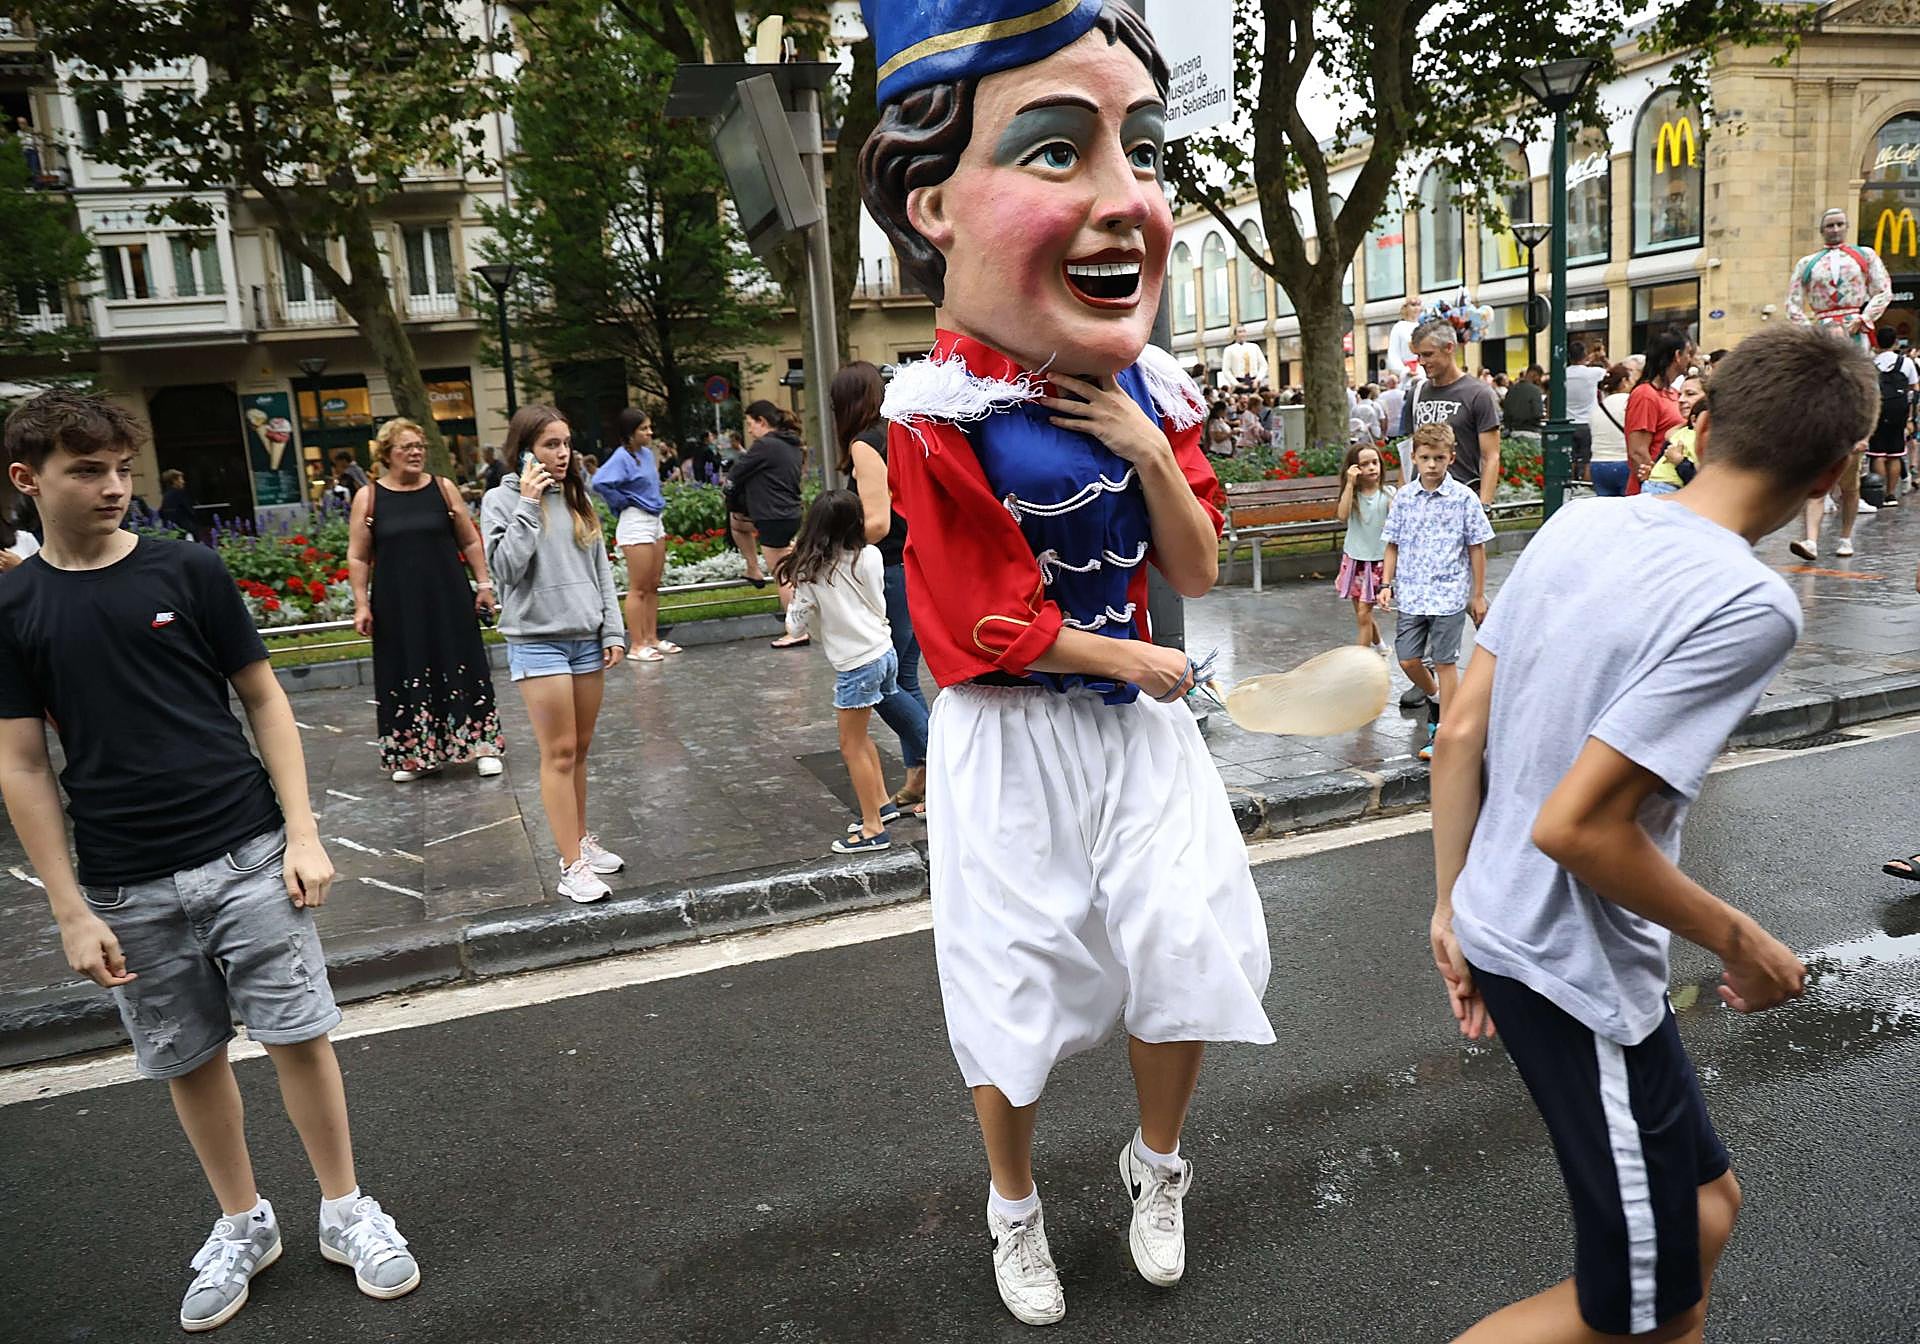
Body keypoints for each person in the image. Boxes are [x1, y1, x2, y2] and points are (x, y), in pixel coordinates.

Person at [859, 2, 1274, 1326]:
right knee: (1014, 982)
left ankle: (1160, 1167)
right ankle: (1014, 1206)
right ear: (933, 205)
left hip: (1136, 727)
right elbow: (969, 626)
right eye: (1055, 149)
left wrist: (1148, 452)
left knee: (1184, 943)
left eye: (1140, 150)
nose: (1126, 199)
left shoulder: (1153, 390)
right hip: (1012, 735)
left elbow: (1194, 567)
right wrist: (1126, 657)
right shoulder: (938, 412)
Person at [1429, 322, 1875, 1344]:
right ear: (1832, 473)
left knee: (1710, 1211)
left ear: (1702, 428)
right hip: (1570, 971)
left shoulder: (1580, 524)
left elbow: (1457, 733)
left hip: (1520, 935)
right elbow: (1578, 828)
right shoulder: (1750, 602)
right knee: (1643, 1311)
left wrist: (1449, 910)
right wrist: (1745, 943)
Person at [0, 391, 420, 1333]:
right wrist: (69, 908)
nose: (114, 487)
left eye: (121, 469)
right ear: (27, 480)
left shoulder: (186, 568)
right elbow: (21, 763)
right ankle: (243, 1223)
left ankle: (346, 1209)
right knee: (187, 1058)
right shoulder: (13, 605)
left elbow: (264, 699)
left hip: (247, 852)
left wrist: (303, 833)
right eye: (86, 471)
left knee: (299, 1036)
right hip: (124, 881)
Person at [482, 406, 628, 904]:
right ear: (524, 450)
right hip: (536, 640)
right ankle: (570, 865)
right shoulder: (500, 501)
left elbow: (600, 569)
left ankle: (580, 841)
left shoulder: (576, 496)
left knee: (580, 750)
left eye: (566, 443)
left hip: (586, 637)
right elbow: (506, 570)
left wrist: (613, 629)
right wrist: (527, 503)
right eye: (550, 445)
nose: (563, 454)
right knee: (560, 752)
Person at [349, 417, 505, 784]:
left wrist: (484, 584)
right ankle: (416, 755)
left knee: (463, 664)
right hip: (396, 604)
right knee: (405, 669)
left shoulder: (443, 488)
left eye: (420, 446)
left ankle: (482, 747)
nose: (416, 453)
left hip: (448, 596)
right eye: (407, 447)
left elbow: (469, 540)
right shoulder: (368, 498)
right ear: (387, 453)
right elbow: (357, 556)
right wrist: (361, 603)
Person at [778, 490, 930, 854]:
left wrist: (798, 595)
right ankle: (881, 804)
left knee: (850, 746)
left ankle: (873, 829)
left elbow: (795, 627)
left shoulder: (811, 573)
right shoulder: (871, 555)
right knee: (861, 740)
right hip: (883, 650)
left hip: (856, 665)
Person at [833, 360, 930, 817]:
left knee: (881, 681)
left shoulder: (865, 443)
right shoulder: (898, 432)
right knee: (905, 677)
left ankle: (943, 767)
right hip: (914, 566)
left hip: (889, 571)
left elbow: (877, 523)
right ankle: (920, 781)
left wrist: (829, 544)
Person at [1380, 423, 1493, 764]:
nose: (1432, 464)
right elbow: (1392, 544)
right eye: (1425, 457)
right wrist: (1385, 584)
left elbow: (1477, 547)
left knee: (1445, 662)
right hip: (1412, 593)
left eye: (1439, 458)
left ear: (1451, 458)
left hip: (1449, 594)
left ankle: (1444, 731)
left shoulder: (1464, 499)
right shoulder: (1404, 498)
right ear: (1414, 458)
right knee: (1408, 659)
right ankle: (1437, 698)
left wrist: (1477, 594)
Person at [592, 408, 681, 663]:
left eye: (649, 427)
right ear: (630, 433)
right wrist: (622, 501)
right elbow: (599, 482)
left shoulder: (646, 454)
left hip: (654, 520)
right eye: (644, 429)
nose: (650, 433)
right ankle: (637, 644)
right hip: (636, 522)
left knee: (653, 584)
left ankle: (652, 638)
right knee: (639, 587)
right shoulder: (621, 457)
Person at [725, 400, 806, 641]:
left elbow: (736, 473)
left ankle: (796, 632)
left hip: (772, 517)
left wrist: (730, 492)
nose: (749, 430)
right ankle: (753, 569)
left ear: (762, 421)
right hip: (788, 514)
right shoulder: (791, 443)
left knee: (783, 576)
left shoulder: (765, 445)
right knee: (737, 523)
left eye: (750, 424)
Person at [1407, 318, 1503, 506]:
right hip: (1421, 502)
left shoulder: (1479, 394)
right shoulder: (1416, 393)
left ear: (1449, 348)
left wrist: (1483, 506)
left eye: (1428, 354)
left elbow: (1491, 456)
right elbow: (1409, 452)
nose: (1422, 362)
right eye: (1419, 356)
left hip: (1461, 500)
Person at [1786, 207, 1892, 352]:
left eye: (1840, 224)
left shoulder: (1866, 255)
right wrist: (1810, 332)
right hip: (1822, 332)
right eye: (1830, 226)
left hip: (1855, 328)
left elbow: (1883, 291)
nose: (1835, 230)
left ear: (1847, 226)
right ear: (1821, 230)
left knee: (1858, 364)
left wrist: (1865, 318)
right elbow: (1792, 302)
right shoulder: (1806, 263)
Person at [1335, 442, 1393, 651]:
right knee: (1362, 613)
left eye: (1375, 462)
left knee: (1363, 612)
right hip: (1355, 559)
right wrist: (1350, 484)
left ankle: (1361, 660)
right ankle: (1380, 646)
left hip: (1377, 561)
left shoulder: (1388, 494)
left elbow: (1397, 521)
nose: (1371, 468)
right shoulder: (1352, 496)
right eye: (1365, 464)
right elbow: (1342, 515)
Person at [1625, 331, 1691, 503]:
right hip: (1654, 494)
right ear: (1678, 356)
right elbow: (1638, 452)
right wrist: (1653, 484)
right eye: (1688, 353)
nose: (1690, 359)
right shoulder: (1645, 394)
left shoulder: (1674, 393)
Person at [1867, 326, 1918, 504]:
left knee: (1877, 454)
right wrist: (1911, 417)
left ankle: (1878, 493)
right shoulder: (1906, 362)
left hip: (1878, 410)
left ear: (1876, 343)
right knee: (1895, 454)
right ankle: (1891, 495)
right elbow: (1914, 387)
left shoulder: (1870, 364)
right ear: (1895, 342)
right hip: (1899, 411)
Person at [1643, 373, 1706, 497]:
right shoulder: (1676, 433)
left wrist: (1680, 462)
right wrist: (1652, 473)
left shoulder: (1714, 436)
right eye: (1679, 394)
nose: (1681, 400)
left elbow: (1704, 479)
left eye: (1690, 394)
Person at [1586, 364, 1636, 497]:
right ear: (1624, 381)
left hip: (1598, 463)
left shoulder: (1598, 407)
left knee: (1606, 507)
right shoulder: (1630, 402)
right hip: (1623, 461)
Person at [1564, 341, 1606, 482]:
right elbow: (1613, 372)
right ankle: (1586, 488)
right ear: (1585, 355)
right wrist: (1601, 358)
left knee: (1570, 459)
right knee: (1588, 459)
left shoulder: (1563, 374)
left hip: (1568, 423)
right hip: (1588, 423)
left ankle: (1569, 486)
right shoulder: (1593, 373)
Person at [1502, 366, 1544, 439]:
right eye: (1539, 378)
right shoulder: (1535, 390)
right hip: (1532, 431)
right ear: (1534, 375)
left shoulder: (1511, 390)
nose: (1539, 381)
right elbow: (1537, 413)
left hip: (1513, 432)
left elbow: (1506, 413)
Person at [1387, 297, 1422, 383]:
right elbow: (1393, 353)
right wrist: (1404, 370)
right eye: (1413, 305)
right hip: (1407, 373)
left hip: (1422, 371)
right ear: (1405, 308)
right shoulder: (1399, 327)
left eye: (1418, 305)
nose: (1416, 308)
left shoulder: (1423, 325)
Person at [1221, 325, 1267, 390]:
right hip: (1239, 382)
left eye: (1244, 331)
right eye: (1240, 332)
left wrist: (1258, 379)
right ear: (1235, 335)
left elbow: (1264, 365)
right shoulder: (1229, 350)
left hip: (1254, 381)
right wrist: (1236, 383)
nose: (1242, 334)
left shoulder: (1254, 347)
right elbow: (1226, 370)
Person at [158, 468, 198, 534]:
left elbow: (162, 513)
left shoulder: (166, 496)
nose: (183, 482)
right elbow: (190, 511)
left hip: (172, 531)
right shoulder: (180, 494)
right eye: (181, 479)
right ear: (174, 481)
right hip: (185, 530)